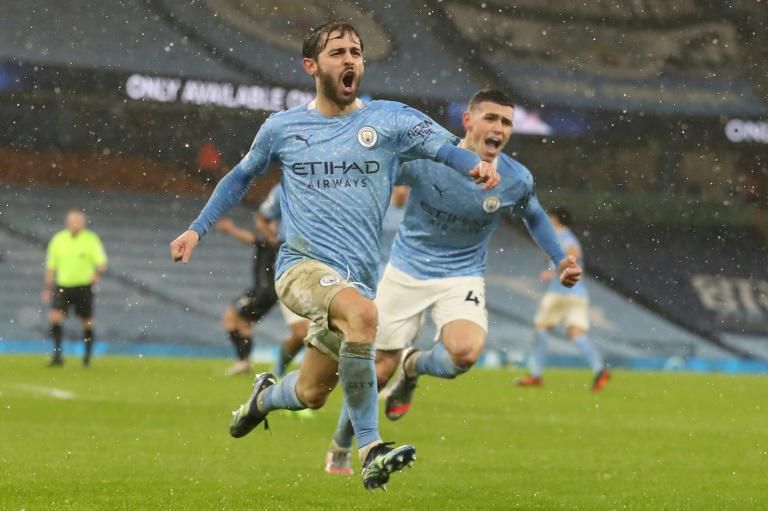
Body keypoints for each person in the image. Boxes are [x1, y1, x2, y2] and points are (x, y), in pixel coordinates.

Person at [168, 20, 499, 491]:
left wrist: (478, 166)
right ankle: (371, 451)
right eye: (338, 51)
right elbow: (240, 177)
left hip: (353, 280)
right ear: (311, 66)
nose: (350, 59)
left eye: (356, 52)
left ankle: (263, 398)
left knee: (310, 393)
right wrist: (197, 229)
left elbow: (447, 149)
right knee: (365, 316)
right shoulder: (283, 128)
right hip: (301, 269)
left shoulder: (390, 120)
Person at [323, 89, 582, 475]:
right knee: (376, 371)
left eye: (506, 122)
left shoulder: (514, 179)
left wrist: (560, 259)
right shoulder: (428, 157)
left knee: (465, 353)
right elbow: (379, 173)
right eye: (491, 118)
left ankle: (413, 367)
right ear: (468, 121)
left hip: (461, 275)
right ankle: (342, 448)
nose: (499, 128)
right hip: (406, 271)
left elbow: (536, 217)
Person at [214, 183, 309, 377]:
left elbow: (250, 237)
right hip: (266, 290)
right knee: (244, 324)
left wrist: (230, 229)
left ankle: (244, 361)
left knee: (230, 319)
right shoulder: (276, 241)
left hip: (264, 290)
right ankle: (245, 362)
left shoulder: (274, 242)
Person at [516, 207, 611, 391]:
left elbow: (574, 254)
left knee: (541, 329)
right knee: (577, 334)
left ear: (555, 219)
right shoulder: (562, 236)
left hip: (560, 292)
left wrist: (553, 272)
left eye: (548, 217)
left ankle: (536, 374)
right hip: (578, 293)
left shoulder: (563, 236)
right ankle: (600, 369)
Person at [41, 209, 107, 367]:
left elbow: (101, 263)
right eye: (73, 221)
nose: (76, 224)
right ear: (67, 222)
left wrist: (97, 275)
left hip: (83, 286)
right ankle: (57, 356)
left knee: (87, 321)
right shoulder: (58, 239)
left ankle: (87, 357)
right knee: (55, 317)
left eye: (79, 221)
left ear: (84, 223)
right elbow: (51, 266)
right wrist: (48, 287)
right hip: (63, 285)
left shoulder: (91, 239)